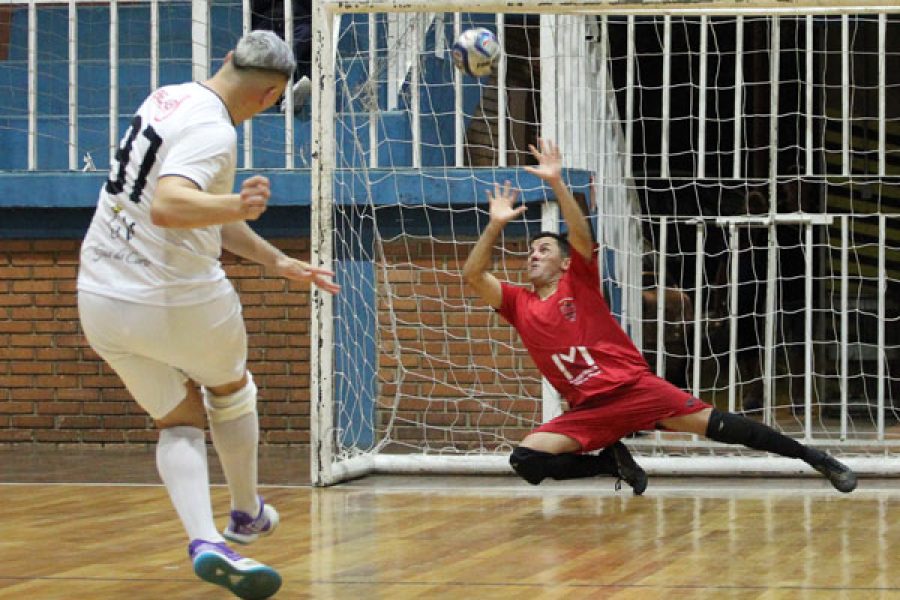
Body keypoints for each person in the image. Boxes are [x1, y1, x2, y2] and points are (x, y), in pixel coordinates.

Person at [77, 30, 339, 600]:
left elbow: (189, 207)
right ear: (271, 96)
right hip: (175, 298)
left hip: (99, 297)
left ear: (226, 60)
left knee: (179, 419)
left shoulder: (168, 96)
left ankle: (205, 541)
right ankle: (245, 510)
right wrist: (234, 202)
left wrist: (276, 260)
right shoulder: (216, 132)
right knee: (230, 388)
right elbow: (174, 205)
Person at [461, 138, 857, 495]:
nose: (534, 255)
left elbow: (580, 237)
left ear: (565, 264)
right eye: (531, 251)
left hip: (635, 389)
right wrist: (496, 224)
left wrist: (557, 183)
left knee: (724, 426)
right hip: (588, 410)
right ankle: (611, 462)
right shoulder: (518, 303)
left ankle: (815, 458)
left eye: (544, 249)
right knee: (526, 461)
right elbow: (474, 275)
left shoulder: (577, 283)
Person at [251, 0, 312, 112]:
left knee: (306, 37)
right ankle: (286, 93)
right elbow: (256, 9)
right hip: (268, 24)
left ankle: (285, 91)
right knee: (266, 44)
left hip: (299, 23)